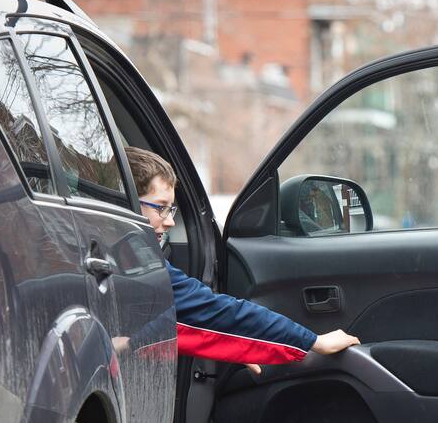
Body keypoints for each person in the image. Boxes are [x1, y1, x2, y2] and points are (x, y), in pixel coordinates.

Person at [119, 147, 359, 368]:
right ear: (126, 200)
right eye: (161, 207)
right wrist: (313, 341)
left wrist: (238, 348)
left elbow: (173, 326)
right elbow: (209, 311)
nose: (170, 221)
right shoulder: (134, 258)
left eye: (171, 210)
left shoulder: (122, 253)